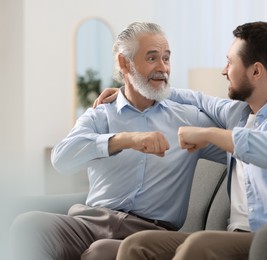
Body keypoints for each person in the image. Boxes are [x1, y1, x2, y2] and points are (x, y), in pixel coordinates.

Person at [96, 21, 267, 260]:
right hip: (238, 238)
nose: (224, 71)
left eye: (229, 62)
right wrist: (132, 90)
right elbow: (196, 98)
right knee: (139, 245)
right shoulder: (239, 113)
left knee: (201, 245)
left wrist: (209, 134)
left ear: (256, 71)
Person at [9, 22, 225, 260]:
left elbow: (240, 139)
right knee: (29, 225)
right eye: (152, 58)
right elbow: (61, 159)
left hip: (150, 233)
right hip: (89, 222)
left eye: (166, 58)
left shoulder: (188, 118)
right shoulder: (101, 114)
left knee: (102, 252)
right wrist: (123, 140)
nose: (163, 67)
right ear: (124, 63)